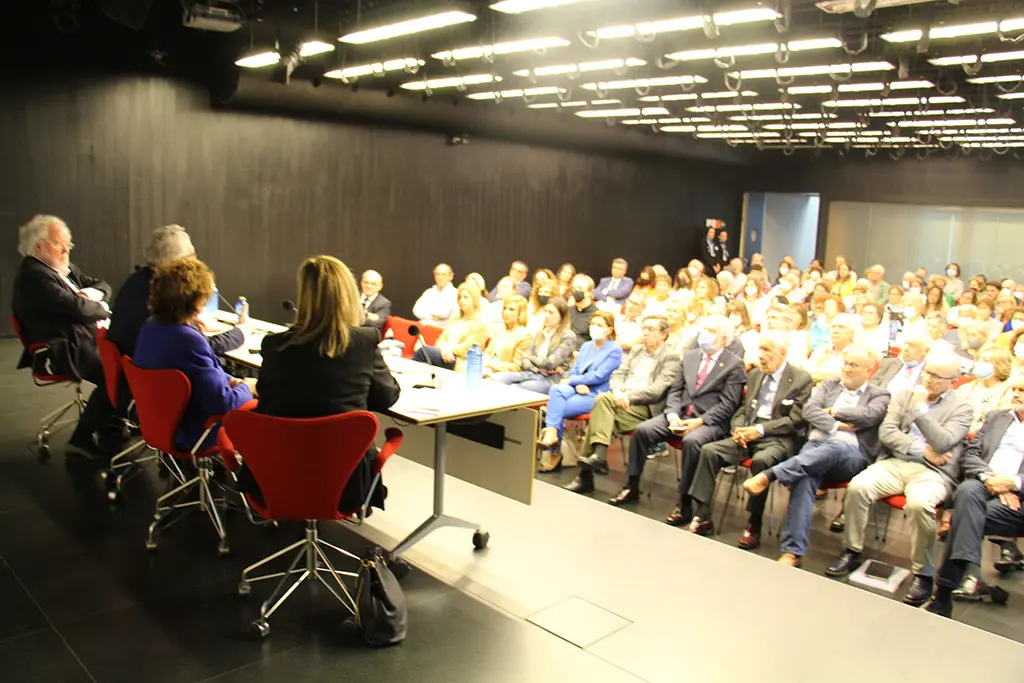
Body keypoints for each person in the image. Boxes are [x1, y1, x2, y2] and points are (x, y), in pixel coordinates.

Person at [241, 255, 399, 513]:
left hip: (279, 474)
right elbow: (388, 396)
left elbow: (267, 400)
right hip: (345, 481)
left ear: (303, 296)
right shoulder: (364, 342)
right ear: (348, 295)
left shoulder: (275, 345)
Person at [825, 353, 972, 607]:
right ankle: (852, 550)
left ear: (953, 381)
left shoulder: (962, 407)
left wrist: (920, 411)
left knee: (918, 505)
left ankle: (923, 574)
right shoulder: (905, 394)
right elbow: (887, 432)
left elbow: (944, 441)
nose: (928, 379)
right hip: (897, 462)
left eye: (937, 376)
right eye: (927, 372)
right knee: (858, 487)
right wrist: (921, 449)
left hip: (933, 473)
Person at [746, 345, 890, 566]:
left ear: (869, 371)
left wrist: (834, 411)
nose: (847, 368)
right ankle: (792, 552)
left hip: (851, 455)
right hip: (815, 446)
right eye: (846, 363)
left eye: (854, 365)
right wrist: (837, 426)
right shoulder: (830, 383)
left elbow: (868, 415)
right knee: (805, 476)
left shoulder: (879, 394)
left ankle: (771, 474)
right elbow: (809, 410)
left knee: (834, 448)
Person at [685, 331, 814, 549]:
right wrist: (738, 429)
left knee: (762, 462)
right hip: (746, 433)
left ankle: (754, 523)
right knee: (709, 451)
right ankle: (703, 515)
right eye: (760, 349)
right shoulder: (755, 374)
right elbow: (743, 409)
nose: (761, 355)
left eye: (767, 350)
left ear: (782, 353)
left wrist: (760, 430)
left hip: (777, 438)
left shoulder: (801, 379)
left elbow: (796, 421)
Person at [12, 214, 121, 458]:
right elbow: (77, 309)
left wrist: (91, 294)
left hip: (81, 338)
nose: (66, 249)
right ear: (39, 246)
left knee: (124, 358)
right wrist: (101, 307)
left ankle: (110, 421)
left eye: (68, 244)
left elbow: (103, 285)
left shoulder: (64, 268)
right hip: (60, 348)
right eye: (59, 244)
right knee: (116, 373)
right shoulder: (34, 276)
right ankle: (81, 437)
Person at [614, 315, 745, 509]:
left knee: (692, 441)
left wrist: (698, 422)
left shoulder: (734, 364)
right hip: (680, 414)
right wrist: (673, 414)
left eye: (711, 331)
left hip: (709, 422)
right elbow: (675, 391)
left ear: (724, 339)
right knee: (643, 430)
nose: (704, 334)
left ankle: (684, 502)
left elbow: (728, 405)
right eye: (704, 329)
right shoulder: (691, 356)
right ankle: (631, 485)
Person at [923, 378, 1024, 618]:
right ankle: (965, 577)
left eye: (1023, 390)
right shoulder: (998, 417)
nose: (1016, 394)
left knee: (965, 515)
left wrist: (1014, 483)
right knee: (968, 491)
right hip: (984, 485)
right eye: (1015, 389)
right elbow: (971, 453)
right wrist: (991, 479)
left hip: (1018, 501)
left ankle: (943, 595)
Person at [132, 257, 257, 451]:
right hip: (196, 432)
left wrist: (232, 380)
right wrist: (246, 387)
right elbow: (226, 403)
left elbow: (202, 374)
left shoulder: (150, 327)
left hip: (160, 423)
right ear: (197, 302)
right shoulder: (188, 340)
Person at [563, 316, 680, 493]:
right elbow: (618, 374)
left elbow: (658, 390)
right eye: (644, 328)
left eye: (651, 329)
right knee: (602, 410)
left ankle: (587, 473)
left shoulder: (671, 357)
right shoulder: (636, 350)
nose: (645, 333)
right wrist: (617, 392)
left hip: (644, 407)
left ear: (663, 335)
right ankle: (597, 459)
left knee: (601, 405)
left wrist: (628, 397)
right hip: (618, 402)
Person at [536, 311, 621, 472]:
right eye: (593, 324)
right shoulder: (587, 346)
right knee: (556, 390)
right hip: (577, 389)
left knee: (556, 408)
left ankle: (554, 448)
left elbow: (600, 375)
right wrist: (577, 383)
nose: (594, 327)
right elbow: (574, 371)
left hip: (596, 394)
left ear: (609, 329)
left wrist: (576, 381)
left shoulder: (614, 350)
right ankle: (553, 435)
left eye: (600, 325)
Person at [492, 297, 576, 395]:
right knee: (496, 378)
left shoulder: (568, 336)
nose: (546, 316)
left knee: (515, 388)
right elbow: (524, 360)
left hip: (551, 380)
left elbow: (549, 363)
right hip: (533, 373)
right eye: (545, 312)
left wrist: (532, 359)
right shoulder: (540, 334)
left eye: (551, 313)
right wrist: (538, 368)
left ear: (561, 316)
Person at [412, 281, 488, 371]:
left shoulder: (480, 323)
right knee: (425, 365)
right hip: (446, 355)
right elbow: (440, 340)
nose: (461, 300)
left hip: (461, 362)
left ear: (474, 300)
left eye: (465, 297)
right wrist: (444, 348)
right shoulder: (456, 320)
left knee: (422, 351)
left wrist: (449, 350)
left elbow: (467, 349)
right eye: (459, 297)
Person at [957, 345, 1014, 434]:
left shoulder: (1010, 393)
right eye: (978, 360)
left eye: (985, 360)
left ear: (1000, 365)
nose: (980, 363)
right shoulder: (965, 389)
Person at [482, 295, 531, 376]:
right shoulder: (499, 329)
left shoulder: (525, 336)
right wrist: (485, 362)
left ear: (520, 314)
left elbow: (517, 366)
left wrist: (491, 365)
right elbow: (488, 352)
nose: (506, 312)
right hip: (488, 368)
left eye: (511, 310)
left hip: (505, 374)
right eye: (504, 308)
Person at [806, 313, 859, 383]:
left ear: (852, 332)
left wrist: (819, 374)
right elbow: (806, 372)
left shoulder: (858, 353)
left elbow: (847, 376)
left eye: (841, 327)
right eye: (833, 327)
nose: (835, 331)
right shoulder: (821, 349)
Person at [412, 263, 458, 328]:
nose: (440, 277)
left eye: (443, 274)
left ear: (451, 276)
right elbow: (416, 309)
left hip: (444, 331)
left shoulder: (455, 294)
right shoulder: (429, 292)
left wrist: (427, 310)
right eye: (437, 274)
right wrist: (431, 317)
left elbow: (443, 314)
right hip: (425, 328)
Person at [359, 269, 391, 337]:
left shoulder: (384, 303)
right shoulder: (353, 297)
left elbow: (377, 324)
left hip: (368, 337)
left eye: (373, 284)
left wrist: (355, 316)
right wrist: (368, 315)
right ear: (361, 283)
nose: (369, 286)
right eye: (366, 282)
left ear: (380, 286)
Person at [569, 274, 598, 345]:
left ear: (590, 292)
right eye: (574, 288)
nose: (576, 291)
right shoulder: (568, 311)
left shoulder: (596, 315)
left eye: (580, 288)